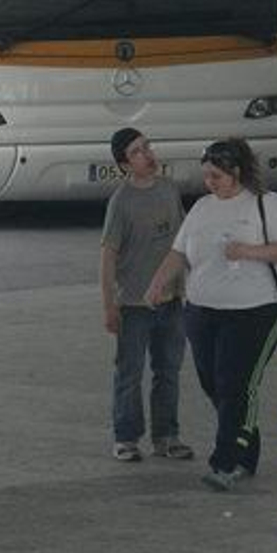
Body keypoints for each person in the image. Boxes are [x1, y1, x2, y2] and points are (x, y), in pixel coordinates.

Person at [143, 139, 277, 491]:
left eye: (217, 176)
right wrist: (157, 284)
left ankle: (225, 462)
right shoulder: (202, 208)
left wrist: (249, 252)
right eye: (206, 176)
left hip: (255, 311)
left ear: (236, 172)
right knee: (214, 384)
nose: (210, 182)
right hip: (202, 311)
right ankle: (246, 449)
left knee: (237, 385)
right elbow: (179, 251)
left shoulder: (266, 206)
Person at [101, 127, 193, 463]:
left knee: (168, 370)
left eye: (148, 147)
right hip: (134, 304)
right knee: (130, 371)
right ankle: (126, 437)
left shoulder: (169, 190)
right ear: (125, 164)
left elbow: (183, 241)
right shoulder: (121, 202)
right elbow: (108, 256)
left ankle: (166, 436)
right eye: (138, 151)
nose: (149, 155)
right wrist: (110, 304)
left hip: (171, 301)